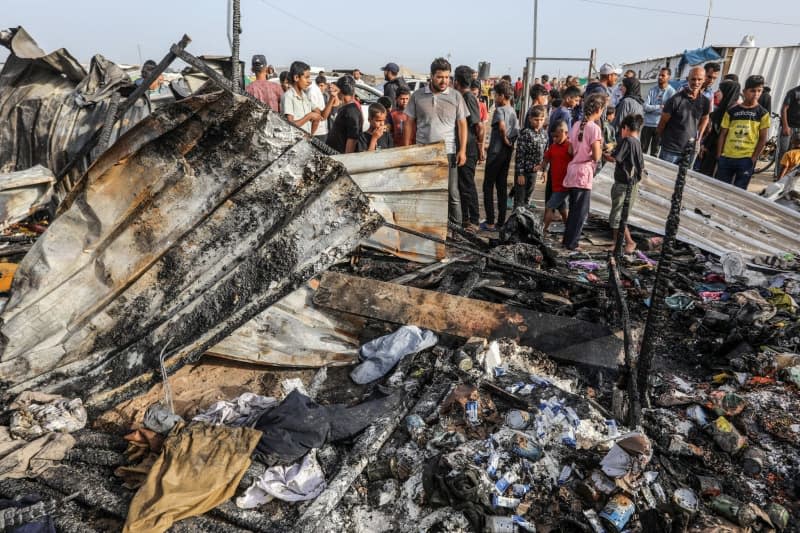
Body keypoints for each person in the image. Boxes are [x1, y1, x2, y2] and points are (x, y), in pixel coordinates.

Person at [404, 57, 468, 227]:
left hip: (448, 151)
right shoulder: (417, 96)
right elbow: (409, 122)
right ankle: (427, 227)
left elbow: (462, 124)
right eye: (440, 77)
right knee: (423, 190)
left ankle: (457, 230)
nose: (444, 81)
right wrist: (407, 148)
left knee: (452, 192)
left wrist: (462, 151)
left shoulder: (456, 97)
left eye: (447, 77)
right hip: (423, 150)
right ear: (431, 76)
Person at [563, 92, 607, 251]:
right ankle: (572, 243)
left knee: (574, 209)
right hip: (584, 173)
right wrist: (603, 149)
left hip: (573, 171)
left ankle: (568, 240)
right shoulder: (594, 129)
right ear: (599, 109)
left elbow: (570, 149)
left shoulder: (576, 125)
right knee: (580, 213)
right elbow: (596, 155)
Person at [715, 75, 770, 190]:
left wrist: (754, 158)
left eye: (759, 91)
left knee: (739, 192)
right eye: (752, 91)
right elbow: (723, 134)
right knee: (719, 189)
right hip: (727, 157)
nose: (756, 94)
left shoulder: (763, 113)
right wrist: (719, 155)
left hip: (746, 159)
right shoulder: (732, 111)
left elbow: (763, 139)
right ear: (744, 92)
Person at [480, 81, 519, 231]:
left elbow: (502, 127)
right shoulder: (513, 111)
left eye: (496, 95)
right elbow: (515, 130)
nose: (495, 98)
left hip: (496, 153)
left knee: (488, 186)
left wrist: (503, 139)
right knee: (501, 186)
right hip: (506, 153)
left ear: (502, 96)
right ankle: (501, 222)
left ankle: (490, 221)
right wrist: (509, 142)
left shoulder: (499, 110)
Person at [604, 114, 644, 253]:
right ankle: (624, 242)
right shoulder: (637, 142)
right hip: (631, 184)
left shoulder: (627, 141)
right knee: (621, 214)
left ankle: (623, 242)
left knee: (617, 215)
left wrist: (600, 153)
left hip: (624, 184)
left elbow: (614, 158)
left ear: (625, 128)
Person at [657, 66, 710, 164]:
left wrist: (699, 136)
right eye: (693, 79)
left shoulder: (705, 101)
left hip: (689, 151)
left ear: (704, 80)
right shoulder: (675, 100)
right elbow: (662, 123)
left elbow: (705, 118)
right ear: (687, 79)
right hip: (670, 150)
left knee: (682, 178)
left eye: (699, 79)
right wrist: (664, 140)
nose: (696, 82)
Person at [454, 65, 484, 230]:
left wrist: (480, 148)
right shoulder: (460, 97)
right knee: (462, 184)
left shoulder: (468, 98)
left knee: (467, 185)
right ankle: (465, 218)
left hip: (469, 148)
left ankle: (473, 220)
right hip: (463, 147)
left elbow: (479, 126)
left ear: (456, 81)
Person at [697, 79, 740, 176]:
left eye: (720, 91)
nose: (716, 94)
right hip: (710, 152)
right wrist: (705, 145)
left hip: (723, 155)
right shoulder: (720, 110)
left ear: (727, 93)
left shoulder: (734, 113)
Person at [514, 105, 548, 209]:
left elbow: (546, 153)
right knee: (519, 201)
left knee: (528, 199)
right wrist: (520, 174)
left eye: (541, 120)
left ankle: (525, 221)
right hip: (523, 172)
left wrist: (544, 169)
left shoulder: (544, 134)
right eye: (536, 120)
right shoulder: (525, 133)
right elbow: (520, 154)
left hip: (534, 172)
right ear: (530, 119)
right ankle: (517, 222)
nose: (539, 122)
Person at [542, 121, 572, 235]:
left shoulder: (570, 147)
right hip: (556, 184)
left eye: (557, 136)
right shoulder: (553, 147)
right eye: (553, 136)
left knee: (550, 207)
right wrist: (542, 167)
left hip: (564, 184)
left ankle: (542, 230)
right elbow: (546, 158)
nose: (554, 139)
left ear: (566, 133)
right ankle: (569, 230)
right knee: (563, 209)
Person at [641, 67, 676, 156]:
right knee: (641, 151)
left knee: (654, 154)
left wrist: (652, 108)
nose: (660, 77)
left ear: (669, 77)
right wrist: (659, 106)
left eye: (663, 75)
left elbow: (667, 112)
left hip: (660, 126)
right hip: (647, 124)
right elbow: (645, 107)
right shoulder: (652, 90)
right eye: (659, 75)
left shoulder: (672, 93)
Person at [280, 61, 322, 134]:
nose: (309, 81)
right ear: (296, 78)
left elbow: (319, 114)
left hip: (305, 141)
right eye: (306, 77)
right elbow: (290, 125)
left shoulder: (304, 95)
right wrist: (309, 116)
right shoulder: (288, 96)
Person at [326, 76, 362, 153]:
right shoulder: (346, 108)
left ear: (339, 90)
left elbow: (352, 139)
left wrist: (346, 160)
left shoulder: (351, 111)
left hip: (340, 156)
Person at [776, 83, 800, 178]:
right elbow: (784, 109)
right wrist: (785, 126)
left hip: (799, 128)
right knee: (784, 151)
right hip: (788, 126)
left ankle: (789, 176)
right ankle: (778, 175)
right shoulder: (793, 92)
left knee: (795, 153)